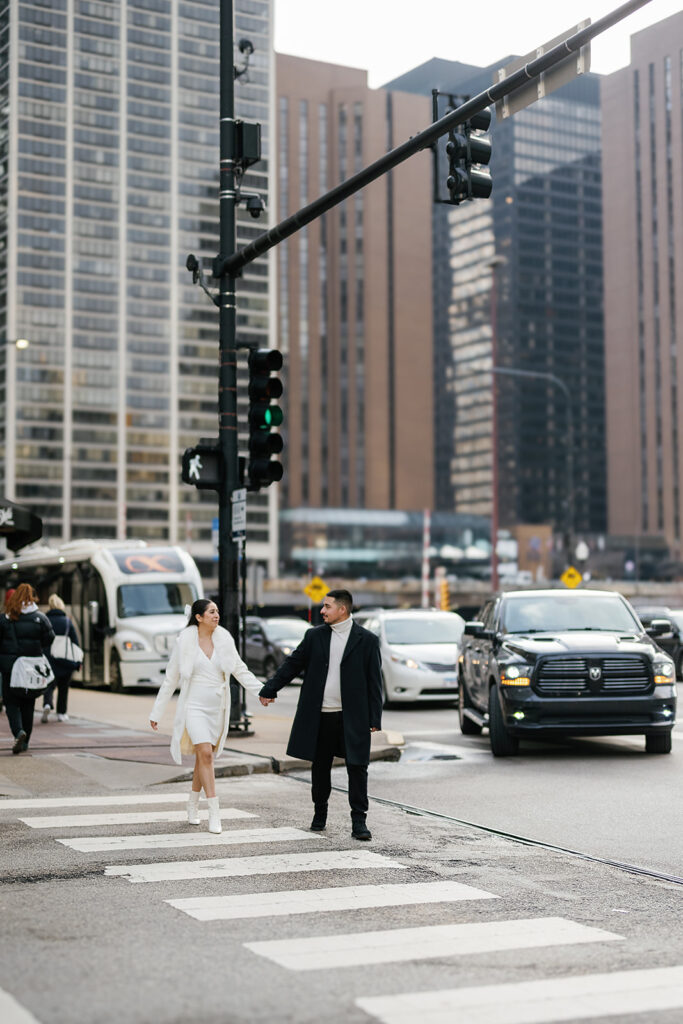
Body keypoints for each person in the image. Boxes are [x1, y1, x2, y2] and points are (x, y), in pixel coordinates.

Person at [258, 589, 382, 841]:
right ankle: (319, 814)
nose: (322, 611)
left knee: (358, 767)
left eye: (327, 606)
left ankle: (359, 821)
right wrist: (270, 688)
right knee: (320, 767)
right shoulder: (314, 636)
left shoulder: (366, 639)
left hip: (352, 716)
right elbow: (293, 664)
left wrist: (374, 718)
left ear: (342, 609)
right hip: (320, 715)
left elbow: (374, 680)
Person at [149, 598, 267, 834]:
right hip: (193, 706)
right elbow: (171, 678)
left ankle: (192, 803)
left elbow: (240, 669)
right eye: (211, 612)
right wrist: (157, 712)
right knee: (205, 755)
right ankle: (215, 812)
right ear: (198, 617)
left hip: (217, 708)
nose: (217, 615)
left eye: (217, 611)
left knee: (203, 759)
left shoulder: (224, 639)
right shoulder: (185, 642)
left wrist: (262, 692)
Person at [0, 583, 55, 754]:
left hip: (10, 667)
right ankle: (25, 742)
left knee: (11, 702)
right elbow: (50, 638)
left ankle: (18, 732)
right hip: (32, 667)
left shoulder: (5, 618)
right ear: (32, 597)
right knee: (28, 704)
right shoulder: (40, 618)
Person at [42, 594, 81, 723]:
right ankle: (61, 713)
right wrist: (78, 661)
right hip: (63, 658)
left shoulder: (44, 620)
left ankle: (47, 704)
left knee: (49, 684)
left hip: (48, 658)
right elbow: (75, 642)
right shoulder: (67, 622)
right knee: (63, 687)